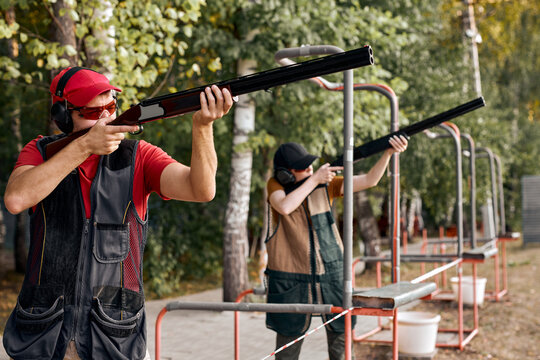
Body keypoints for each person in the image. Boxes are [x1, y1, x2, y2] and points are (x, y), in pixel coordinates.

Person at [2, 67, 233, 360]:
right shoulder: (40, 152)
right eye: (91, 111)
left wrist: (202, 127)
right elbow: (16, 198)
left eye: (110, 107)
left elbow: (201, 190)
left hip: (115, 337)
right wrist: (84, 146)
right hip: (44, 338)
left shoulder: (139, 156)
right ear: (63, 115)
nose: (105, 119)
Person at [265, 137, 408, 360]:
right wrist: (314, 181)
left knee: (341, 345)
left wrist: (388, 154)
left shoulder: (326, 185)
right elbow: (285, 206)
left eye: (310, 164)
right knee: (287, 351)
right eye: (303, 167)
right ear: (286, 174)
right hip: (289, 279)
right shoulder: (275, 185)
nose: (310, 168)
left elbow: (370, 180)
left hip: (332, 274)